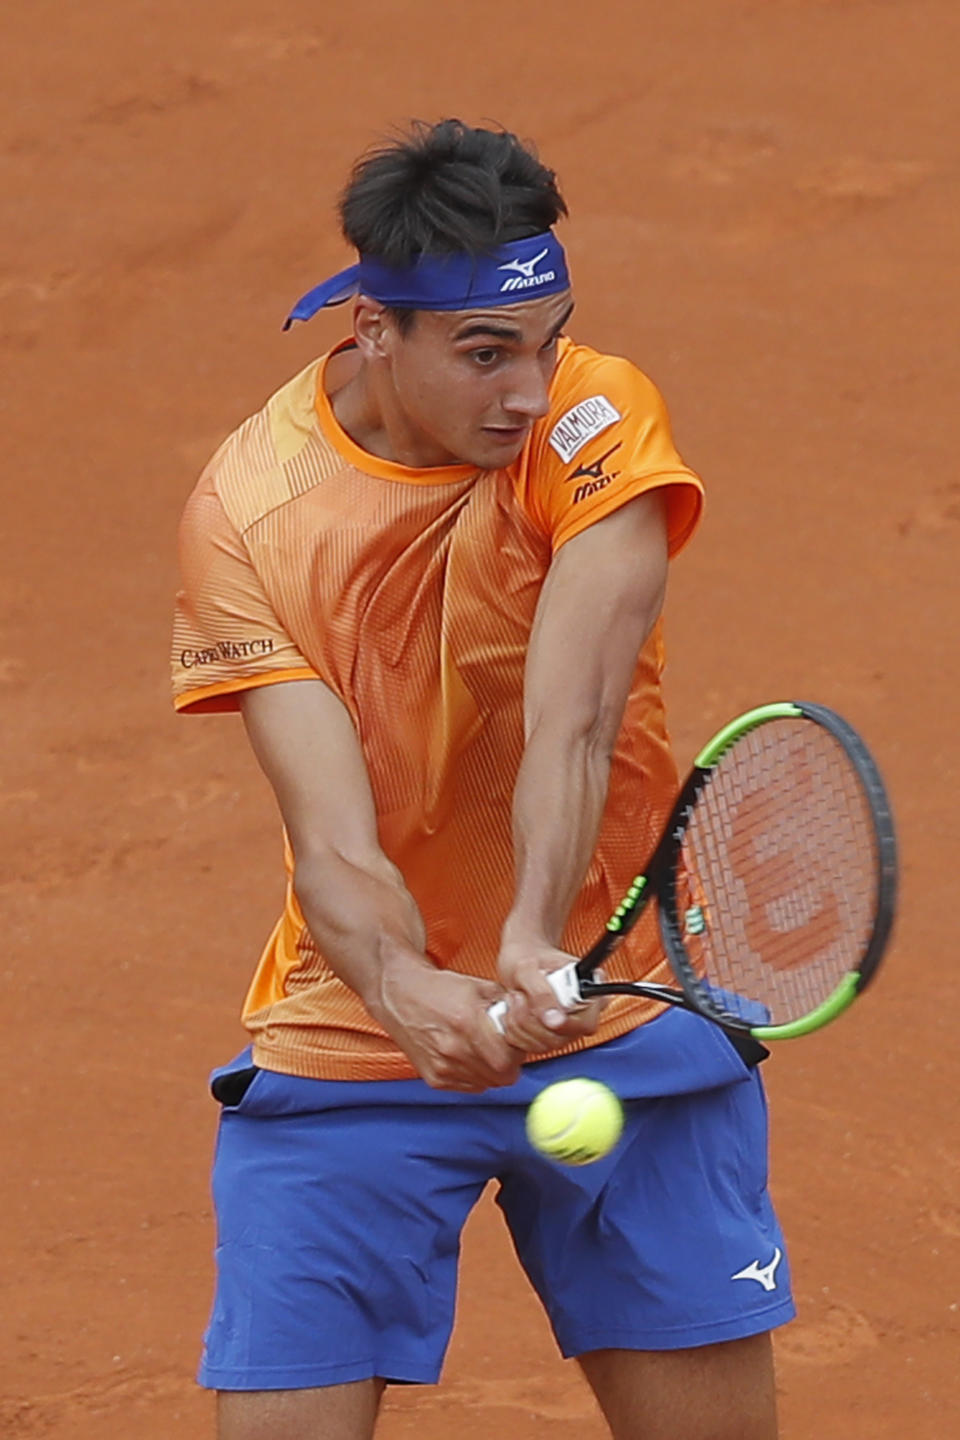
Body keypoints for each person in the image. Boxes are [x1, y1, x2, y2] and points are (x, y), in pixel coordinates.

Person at [171, 119, 793, 1440]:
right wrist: (407, 991)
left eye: (545, 341)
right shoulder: (250, 516)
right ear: (374, 330)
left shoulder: (595, 420)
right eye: (485, 352)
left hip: (617, 1014)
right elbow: (330, 837)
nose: (527, 388)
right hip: (358, 1041)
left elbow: (572, 719)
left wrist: (528, 939)